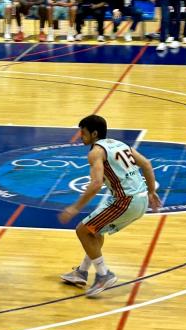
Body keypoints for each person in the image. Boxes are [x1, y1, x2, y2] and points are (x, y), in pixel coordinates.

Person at [58, 115, 162, 297]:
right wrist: (152, 192)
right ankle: (82, 272)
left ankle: (103, 275)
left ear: (94, 133)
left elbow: (96, 184)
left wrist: (75, 207)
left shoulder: (96, 152)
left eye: (83, 132)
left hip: (126, 201)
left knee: (82, 230)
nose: (80, 135)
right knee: (94, 231)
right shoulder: (120, 144)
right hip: (141, 199)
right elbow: (146, 164)